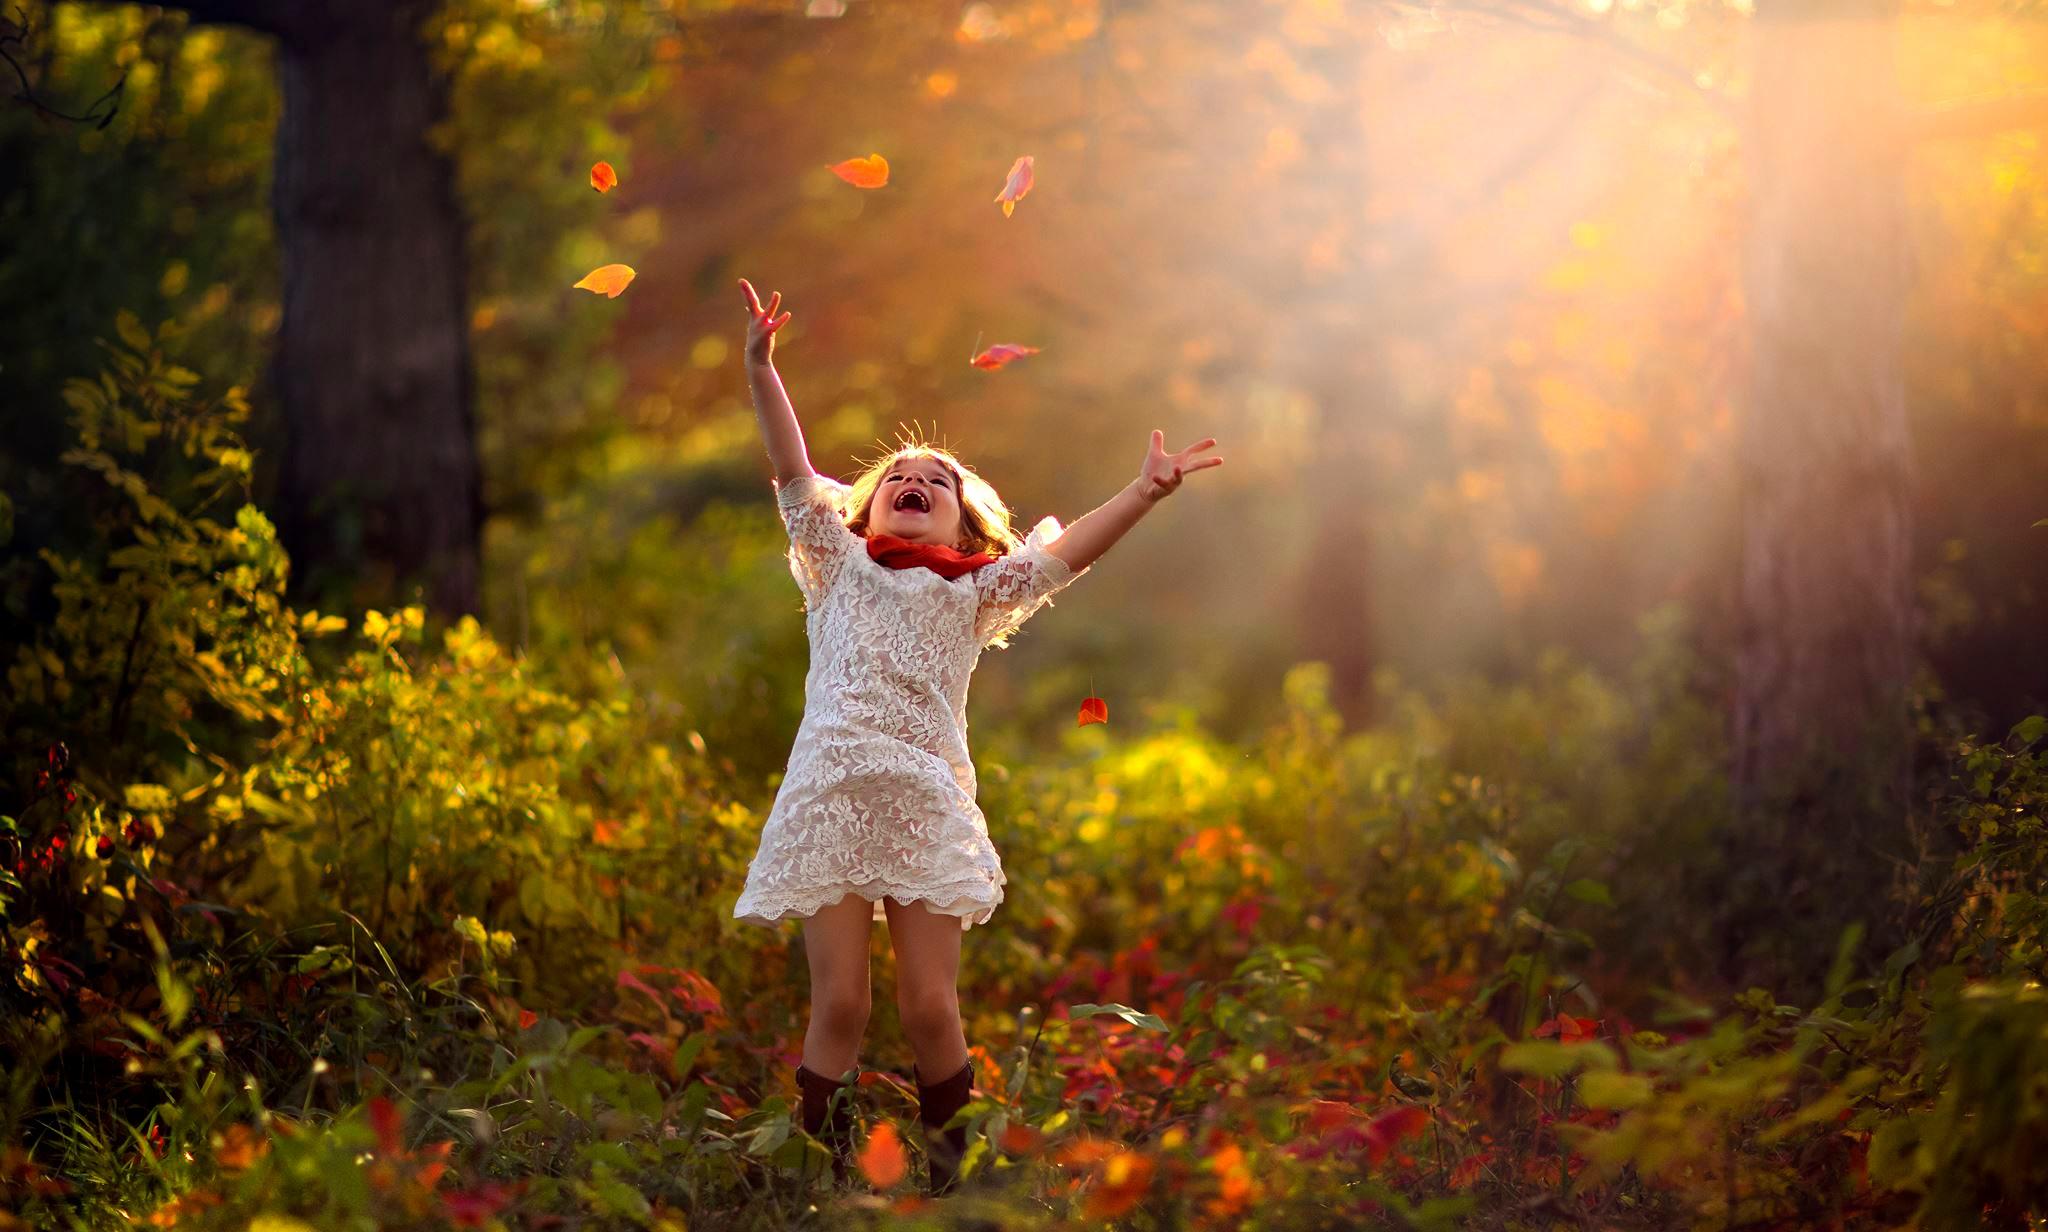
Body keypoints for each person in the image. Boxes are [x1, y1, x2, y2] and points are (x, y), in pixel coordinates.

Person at [727, 278, 1221, 1194]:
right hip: (830, 794)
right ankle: (813, 1184)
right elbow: (794, 467)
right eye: (898, 481)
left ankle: (955, 1187)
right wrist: (762, 368)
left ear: (966, 523)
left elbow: (1069, 552)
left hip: (922, 798)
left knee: (926, 1007)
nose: (915, 484)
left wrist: (1144, 494)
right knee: (840, 1003)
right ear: (864, 512)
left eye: (937, 483)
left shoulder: (975, 594)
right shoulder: (834, 566)